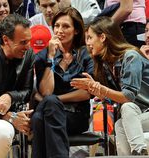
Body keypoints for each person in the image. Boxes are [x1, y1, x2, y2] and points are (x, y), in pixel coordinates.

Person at [71, 16, 149, 155]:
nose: (87, 43)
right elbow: (117, 98)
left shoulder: (131, 56)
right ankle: (138, 154)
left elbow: (128, 97)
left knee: (127, 107)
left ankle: (140, 154)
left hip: (142, 112)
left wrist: (102, 89)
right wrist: (101, 94)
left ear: (102, 37)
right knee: (119, 124)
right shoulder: (107, 65)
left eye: (90, 37)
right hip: (138, 115)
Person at [31, 7, 94, 158]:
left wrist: (54, 100)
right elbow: (46, 91)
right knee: (41, 117)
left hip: (76, 116)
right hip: (48, 113)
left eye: (66, 26)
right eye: (57, 26)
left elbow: (86, 92)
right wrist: (50, 58)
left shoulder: (86, 55)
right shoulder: (43, 56)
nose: (59, 30)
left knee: (42, 116)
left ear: (76, 30)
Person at [0, 13, 35, 158]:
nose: (27, 46)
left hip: (11, 117)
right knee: (3, 130)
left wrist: (10, 96)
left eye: (29, 41)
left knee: (4, 130)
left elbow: (27, 91)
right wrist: (8, 117)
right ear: (6, 40)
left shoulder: (28, 55)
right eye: (23, 42)